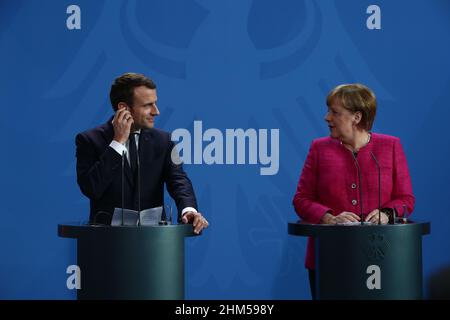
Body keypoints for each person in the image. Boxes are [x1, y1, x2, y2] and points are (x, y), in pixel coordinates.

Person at [292, 83, 415, 299]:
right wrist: (328, 218)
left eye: (334, 112)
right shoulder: (319, 148)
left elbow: (406, 199)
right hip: (329, 257)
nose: (327, 118)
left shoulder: (391, 146)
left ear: (356, 118)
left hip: (381, 257)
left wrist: (386, 214)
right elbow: (301, 199)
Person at [76, 72, 208, 234]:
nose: (156, 111)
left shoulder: (164, 141)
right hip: (107, 245)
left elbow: (179, 180)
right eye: (147, 105)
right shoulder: (89, 140)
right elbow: (91, 189)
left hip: (155, 244)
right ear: (124, 108)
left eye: (155, 103)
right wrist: (117, 142)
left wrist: (189, 210)